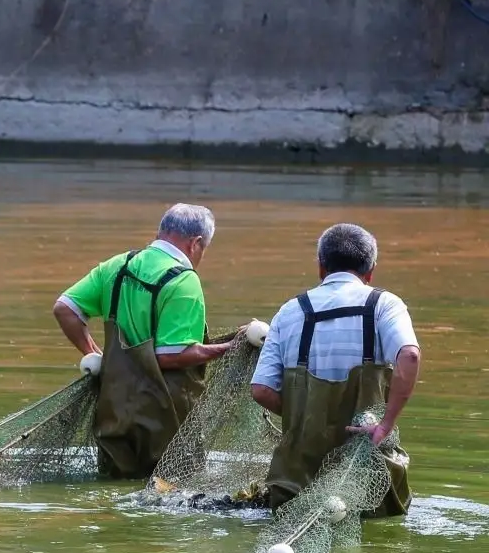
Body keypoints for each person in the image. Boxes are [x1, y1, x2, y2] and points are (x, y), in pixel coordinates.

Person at [53, 203, 235, 478]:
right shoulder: (184, 281)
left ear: (159, 232)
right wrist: (228, 348)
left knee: (113, 486)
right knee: (172, 491)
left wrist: (94, 354)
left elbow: (65, 309)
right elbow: (170, 356)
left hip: (113, 410)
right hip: (164, 417)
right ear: (196, 243)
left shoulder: (117, 266)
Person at [249, 223, 418, 516]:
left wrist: (305, 417)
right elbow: (410, 357)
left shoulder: (289, 312)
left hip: (296, 480)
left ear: (320, 268)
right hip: (367, 478)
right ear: (371, 272)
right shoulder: (384, 306)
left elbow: (261, 390)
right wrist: (386, 424)